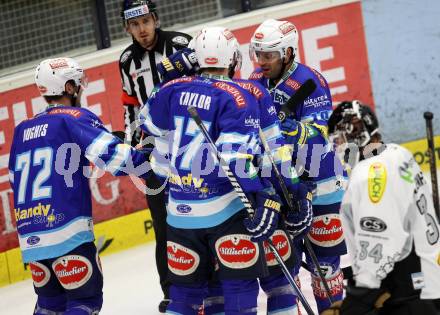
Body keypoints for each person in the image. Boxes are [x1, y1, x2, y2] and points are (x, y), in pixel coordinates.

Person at [138, 26, 316, 315]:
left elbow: (149, 130)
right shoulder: (245, 93)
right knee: (257, 285)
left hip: (180, 213)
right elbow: (270, 156)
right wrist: (280, 195)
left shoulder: (169, 90)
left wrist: (172, 78)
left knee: (186, 297)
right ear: (234, 58)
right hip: (229, 209)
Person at [8, 57, 151, 315]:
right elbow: (115, 159)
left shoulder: (21, 130)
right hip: (67, 234)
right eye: (78, 84)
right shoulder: (73, 117)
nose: (81, 89)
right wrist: (149, 161)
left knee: (50, 305)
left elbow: (15, 180)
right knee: (85, 301)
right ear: (70, 87)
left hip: (31, 239)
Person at [248, 19, 348, 313]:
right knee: (285, 271)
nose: (262, 61)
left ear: (288, 52)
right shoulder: (256, 79)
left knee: (325, 268)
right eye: (258, 54)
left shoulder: (311, 82)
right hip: (283, 184)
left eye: (269, 55)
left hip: (320, 182)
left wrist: (295, 131)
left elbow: (320, 136)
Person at [324, 100, 440, 314]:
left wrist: (352, 307)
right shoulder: (398, 154)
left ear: (356, 136)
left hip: (408, 297)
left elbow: (376, 253)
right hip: (428, 282)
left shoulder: (369, 176)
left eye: (339, 140)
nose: (338, 149)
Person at [118, 1, 193, 311]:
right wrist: (131, 143)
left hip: (191, 148)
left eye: (146, 21)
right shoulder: (126, 60)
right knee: (163, 226)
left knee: (201, 216)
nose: (142, 29)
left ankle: (215, 279)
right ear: (127, 28)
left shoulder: (180, 44)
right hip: (156, 156)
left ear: (156, 19)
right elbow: (130, 107)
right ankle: (170, 292)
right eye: (135, 25)